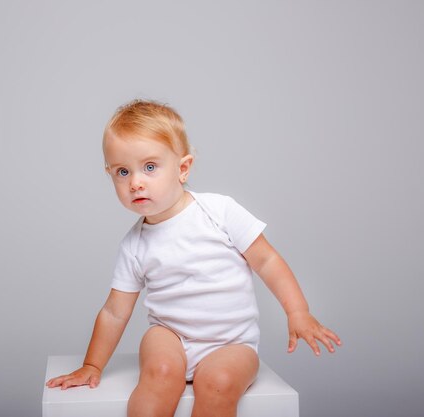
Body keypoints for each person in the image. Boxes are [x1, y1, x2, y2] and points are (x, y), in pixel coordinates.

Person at [46, 99, 341, 417]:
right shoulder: (135, 244)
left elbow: (267, 261)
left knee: (220, 382)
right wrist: (92, 364)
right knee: (159, 371)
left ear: (183, 168)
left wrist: (298, 311)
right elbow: (115, 312)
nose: (136, 182)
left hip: (231, 343)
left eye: (149, 167)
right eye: (122, 172)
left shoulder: (219, 212)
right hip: (170, 335)